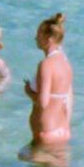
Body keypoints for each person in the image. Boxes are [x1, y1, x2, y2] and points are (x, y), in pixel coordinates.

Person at [24, 13, 72, 148]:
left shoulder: (46, 64)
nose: (35, 38)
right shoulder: (65, 62)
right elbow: (68, 96)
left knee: (28, 161)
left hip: (47, 130)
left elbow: (43, 103)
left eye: (39, 34)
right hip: (62, 128)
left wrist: (28, 91)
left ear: (49, 39)